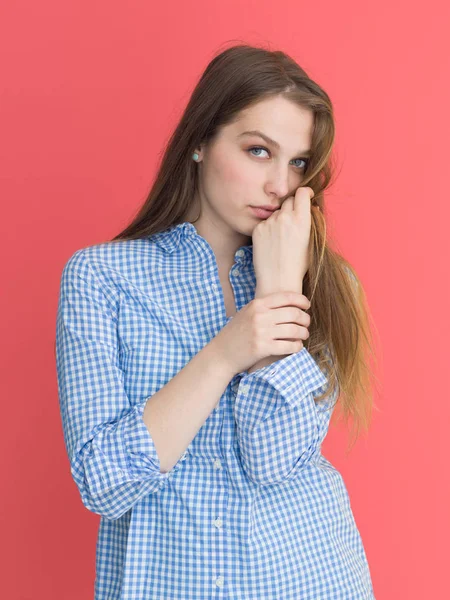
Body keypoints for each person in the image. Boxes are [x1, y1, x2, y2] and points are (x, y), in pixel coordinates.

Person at [55, 44, 379, 600]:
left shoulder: (323, 285)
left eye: (298, 163)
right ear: (201, 142)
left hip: (311, 578)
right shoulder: (102, 278)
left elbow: (272, 461)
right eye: (258, 150)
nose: (280, 185)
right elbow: (106, 484)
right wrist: (227, 351)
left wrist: (280, 291)